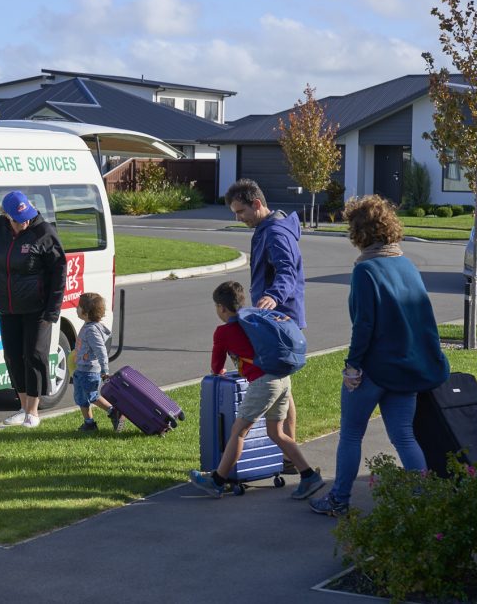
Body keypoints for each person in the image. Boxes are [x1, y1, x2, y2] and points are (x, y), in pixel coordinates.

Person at [309, 195, 449, 517]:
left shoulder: (365, 271)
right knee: (404, 436)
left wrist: (352, 367)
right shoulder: (406, 265)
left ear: (358, 233)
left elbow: (364, 327)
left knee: (351, 434)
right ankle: (423, 500)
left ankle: (339, 500)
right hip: (407, 369)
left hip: (372, 369)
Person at [188, 280, 324, 500]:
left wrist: (220, 370)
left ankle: (217, 481)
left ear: (221, 308)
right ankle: (309, 476)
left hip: (263, 383)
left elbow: (216, 366)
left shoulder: (223, 332)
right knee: (276, 433)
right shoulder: (253, 322)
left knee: (239, 431)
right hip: (282, 379)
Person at [0, 191, 67, 428]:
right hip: (7, 305)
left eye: (27, 216)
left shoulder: (44, 232)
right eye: (18, 219)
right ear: (6, 216)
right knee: (13, 356)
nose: (24, 222)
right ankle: (22, 406)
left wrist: (52, 311)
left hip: (37, 307)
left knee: (35, 356)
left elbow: (59, 273)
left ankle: (33, 412)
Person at [225, 178, 305, 474]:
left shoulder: (275, 233)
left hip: (280, 323)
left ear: (257, 204)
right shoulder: (268, 228)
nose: (238, 217)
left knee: (280, 388)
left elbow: (287, 271)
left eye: (241, 211)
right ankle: (288, 453)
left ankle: (289, 455)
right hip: (274, 320)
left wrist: (272, 296)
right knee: (285, 389)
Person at [72, 292, 124, 432]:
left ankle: (113, 411)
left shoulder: (92, 331)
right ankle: (89, 423)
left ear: (86, 312)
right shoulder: (87, 326)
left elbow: (101, 351)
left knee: (92, 396)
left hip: (89, 371)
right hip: (81, 370)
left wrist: (104, 371)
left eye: (79, 306)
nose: (76, 308)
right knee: (81, 397)